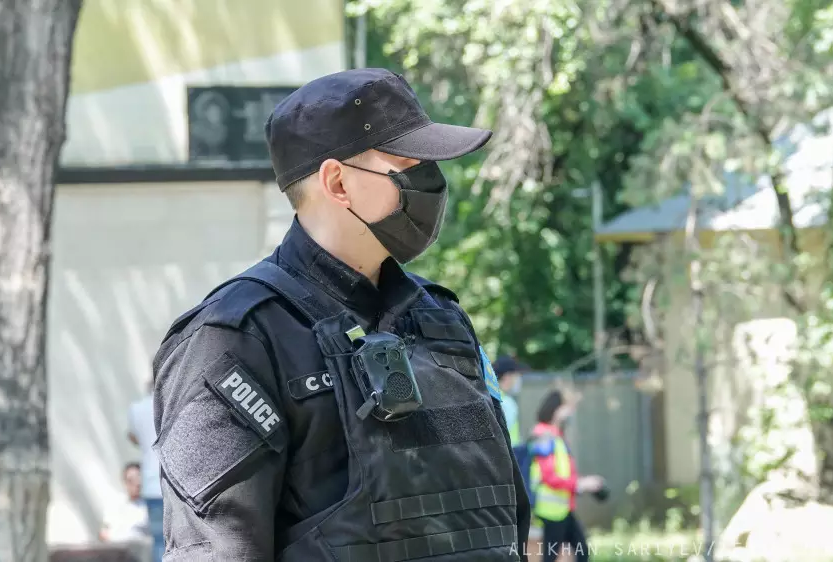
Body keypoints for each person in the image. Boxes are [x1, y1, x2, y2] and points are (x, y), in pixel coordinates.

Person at [152, 68, 531, 561]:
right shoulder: (235, 338)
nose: (431, 180)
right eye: (406, 163)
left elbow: (505, 515)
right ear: (337, 182)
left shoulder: (443, 320)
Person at [529, 390, 605, 562]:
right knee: (556, 554)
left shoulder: (555, 435)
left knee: (580, 550)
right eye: (567, 407)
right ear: (555, 409)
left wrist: (581, 483)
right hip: (551, 509)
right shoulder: (544, 436)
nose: (570, 412)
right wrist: (580, 484)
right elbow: (549, 477)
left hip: (562, 508)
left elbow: (563, 471)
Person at [128, 384, 163, 562]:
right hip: (174, 485)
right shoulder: (171, 405)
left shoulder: (136, 408)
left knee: (159, 541)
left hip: (151, 484)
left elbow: (133, 436)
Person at [100, 462, 150, 543]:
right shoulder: (115, 503)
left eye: (138, 479)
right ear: (125, 482)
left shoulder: (149, 506)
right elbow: (105, 530)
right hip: (115, 547)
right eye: (131, 480)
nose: (137, 483)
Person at [492, 355, 527, 445]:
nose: (517, 379)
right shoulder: (507, 403)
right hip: (510, 450)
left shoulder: (491, 397)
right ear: (507, 376)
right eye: (516, 375)